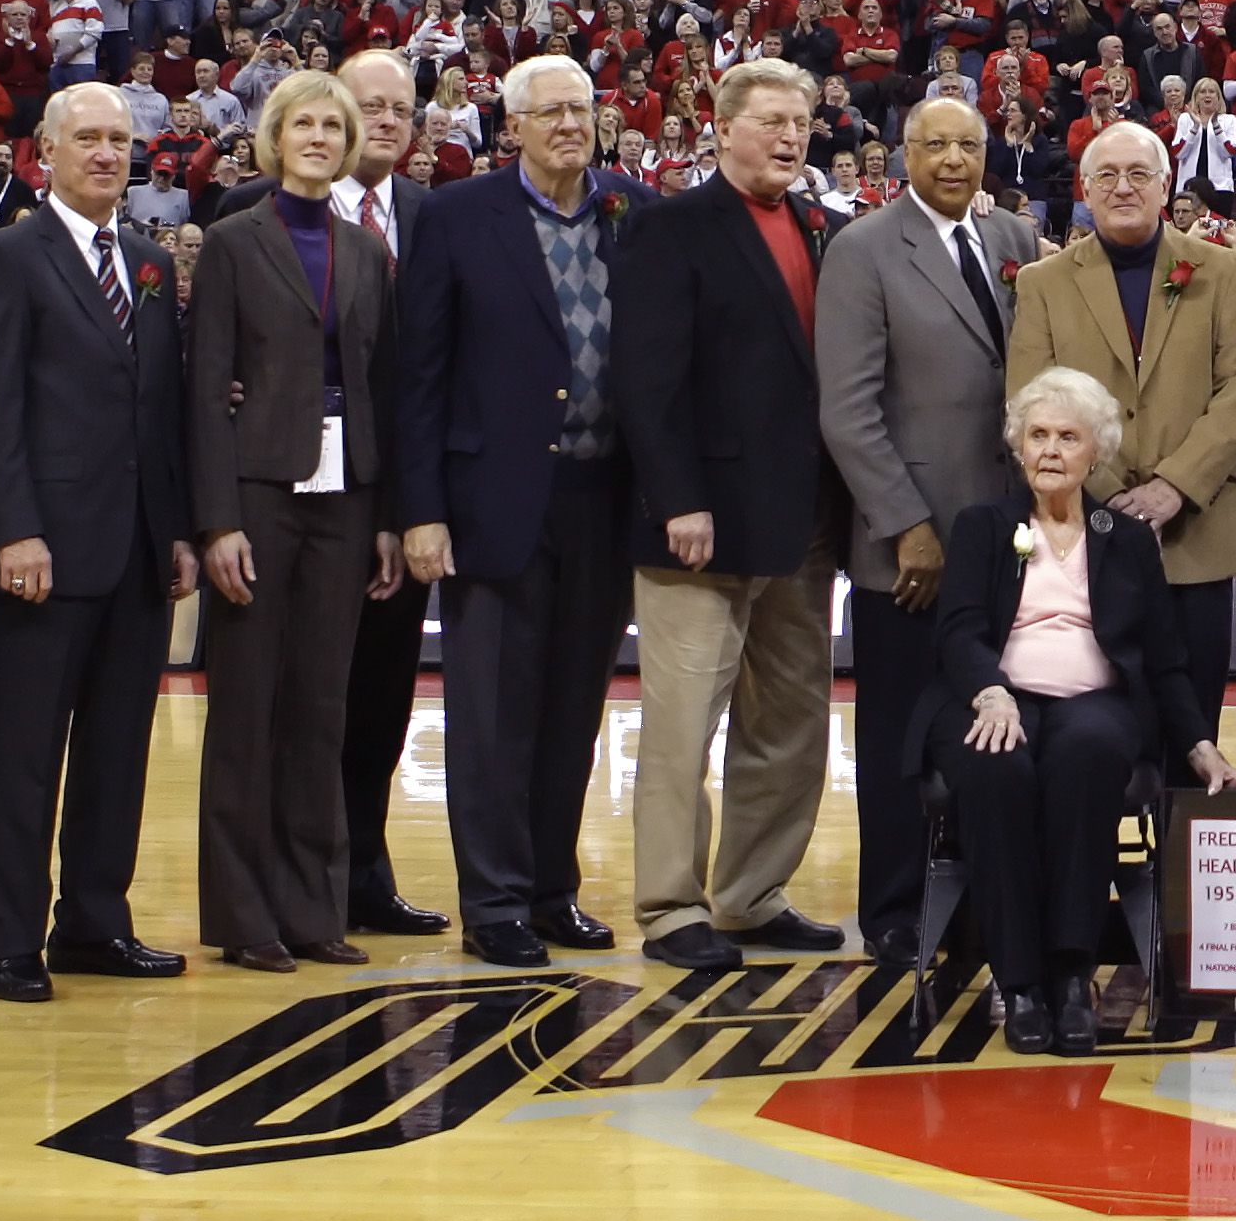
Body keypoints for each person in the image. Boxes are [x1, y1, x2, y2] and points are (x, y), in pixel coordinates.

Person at [394, 55, 652, 969]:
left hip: (601, 495)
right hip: (490, 501)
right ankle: (493, 901)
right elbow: (417, 375)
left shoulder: (632, 211)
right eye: (549, 113)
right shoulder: (457, 216)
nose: (570, 126)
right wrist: (419, 509)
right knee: (495, 712)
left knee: (575, 707)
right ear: (512, 127)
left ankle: (552, 890)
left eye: (581, 110)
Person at [0, 84, 199, 1003]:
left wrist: (174, 530)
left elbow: (159, 412)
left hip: (137, 547)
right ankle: (10, 941)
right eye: (87, 139)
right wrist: (11, 529)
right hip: (44, 551)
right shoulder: (10, 257)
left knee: (117, 750)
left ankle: (95, 922)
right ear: (43, 153)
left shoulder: (142, 258)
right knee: (23, 753)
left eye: (119, 140)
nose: (106, 153)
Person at [612, 59, 849, 971]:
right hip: (699, 526)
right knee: (681, 725)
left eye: (802, 123)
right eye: (771, 122)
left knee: (791, 720)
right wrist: (678, 498)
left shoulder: (821, 228)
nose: (791, 137)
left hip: (803, 521)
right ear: (719, 129)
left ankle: (752, 894)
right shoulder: (669, 228)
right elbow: (647, 378)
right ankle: (673, 906)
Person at [929, 368, 1236, 1055]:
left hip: (1095, 701)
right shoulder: (983, 525)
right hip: (997, 695)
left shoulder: (1125, 539)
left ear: (1094, 452)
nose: (1049, 450)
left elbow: (1163, 657)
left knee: (1090, 752)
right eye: (1037, 435)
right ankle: (1020, 982)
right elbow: (958, 630)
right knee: (995, 765)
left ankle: (1072, 974)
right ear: (1017, 447)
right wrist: (990, 691)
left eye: (1067, 437)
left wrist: (1197, 744)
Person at [216, 48, 444, 939]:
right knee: (265, 703)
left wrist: (403, 509)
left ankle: (351, 882)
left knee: (362, 702)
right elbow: (218, 371)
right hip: (272, 488)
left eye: (396, 109)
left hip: (372, 496)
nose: (378, 120)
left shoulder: (428, 216)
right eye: (361, 106)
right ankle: (255, 903)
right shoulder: (241, 220)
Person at [184, 70, 405, 973]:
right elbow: (206, 389)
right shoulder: (235, 242)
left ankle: (314, 909)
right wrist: (217, 521)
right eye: (301, 123)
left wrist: (389, 516)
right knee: (247, 707)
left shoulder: (365, 252)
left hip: (346, 496)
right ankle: (245, 918)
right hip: (260, 493)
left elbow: (383, 386)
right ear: (274, 139)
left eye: (332, 124)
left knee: (322, 703)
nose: (317, 136)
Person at [818, 96, 1041, 963]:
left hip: (1010, 544)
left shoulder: (1017, 243)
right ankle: (896, 910)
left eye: (968, 145)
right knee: (900, 735)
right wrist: (907, 524)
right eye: (934, 143)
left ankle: (989, 899)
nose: (953, 159)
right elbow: (847, 410)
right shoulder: (863, 249)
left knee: (998, 729)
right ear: (901, 153)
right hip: (911, 546)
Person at [1005, 120, 1236, 770]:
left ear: (1166, 184)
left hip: (1195, 537)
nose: (1123, 188)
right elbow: (1030, 401)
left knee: (1193, 733)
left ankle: (1176, 868)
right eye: (1107, 176)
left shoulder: (1224, 271)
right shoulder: (1044, 282)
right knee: (1091, 739)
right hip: (1083, 538)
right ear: (1085, 190)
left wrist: (1173, 487)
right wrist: (1112, 499)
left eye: (1138, 174)